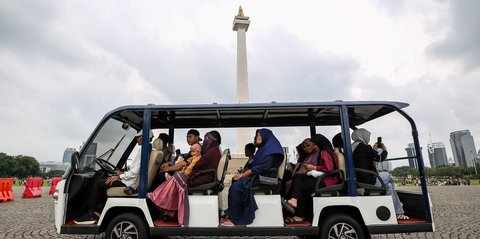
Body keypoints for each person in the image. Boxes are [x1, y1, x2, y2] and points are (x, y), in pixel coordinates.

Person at [75, 130, 153, 224]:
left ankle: (90, 214)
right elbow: (136, 171)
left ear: (143, 137)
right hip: (132, 181)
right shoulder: (148, 148)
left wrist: (119, 177)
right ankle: (99, 210)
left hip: (130, 184)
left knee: (98, 183)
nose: (136, 139)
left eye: (138, 137)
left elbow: (135, 172)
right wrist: (121, 173)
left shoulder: (143, 149)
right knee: (105, 181)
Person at [148, 131, 222, 226]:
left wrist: (174, 168)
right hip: (202, 175)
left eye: (207, 138)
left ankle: (159, 200)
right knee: (176, 178)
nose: (205, 141)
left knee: (175, 178)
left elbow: (197, 164)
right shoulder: (211, 150)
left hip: (202, 177)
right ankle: (170, 210)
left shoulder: (208, 151)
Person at [223, 128, 284, 226]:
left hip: (264, 178)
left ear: (266, 137)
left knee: (236, 187)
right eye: (257, 135)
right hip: (258, 176)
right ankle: (233, 213)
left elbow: (262, 167)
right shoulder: (263, 149)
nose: (257, 137)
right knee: (236, 183)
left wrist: (243, 174)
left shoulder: (270, 151)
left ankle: (236, 219)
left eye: (260, 135)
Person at [351, 128, 409, 220]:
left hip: (359, 178)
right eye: (368, 137)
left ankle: (398, 212)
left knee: (389, 185)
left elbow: (365, 159)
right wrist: (384, 149)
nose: (369, 139)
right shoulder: (365, 147)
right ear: (363, 136)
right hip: (368, 180)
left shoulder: (353, 147)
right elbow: (380, 158)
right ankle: (399, 204)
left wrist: (373, 149)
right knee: (388, 176)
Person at [286, 134, 339, 224]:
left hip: (327, 180)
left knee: (301, 187)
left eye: (314, 145)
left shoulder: (325, 152)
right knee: (298, 177)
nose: (314, 147)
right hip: (322, 178)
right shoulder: (323, 151)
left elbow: (329, 169)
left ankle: (299, 215)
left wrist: (314, 168)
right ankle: (295, 201)